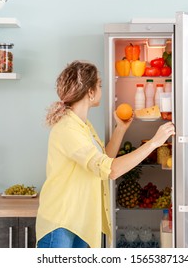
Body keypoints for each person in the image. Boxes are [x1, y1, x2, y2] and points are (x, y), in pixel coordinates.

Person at [35, 60, 175, 248]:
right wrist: (155, 142)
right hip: (62, 222)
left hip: (81, 220)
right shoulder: (68, 128)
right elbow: (111, 170)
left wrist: (120, 129)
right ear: (90, 92)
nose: (102, 89)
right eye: (99, 85)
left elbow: (103, 161)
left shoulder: (82, 125)